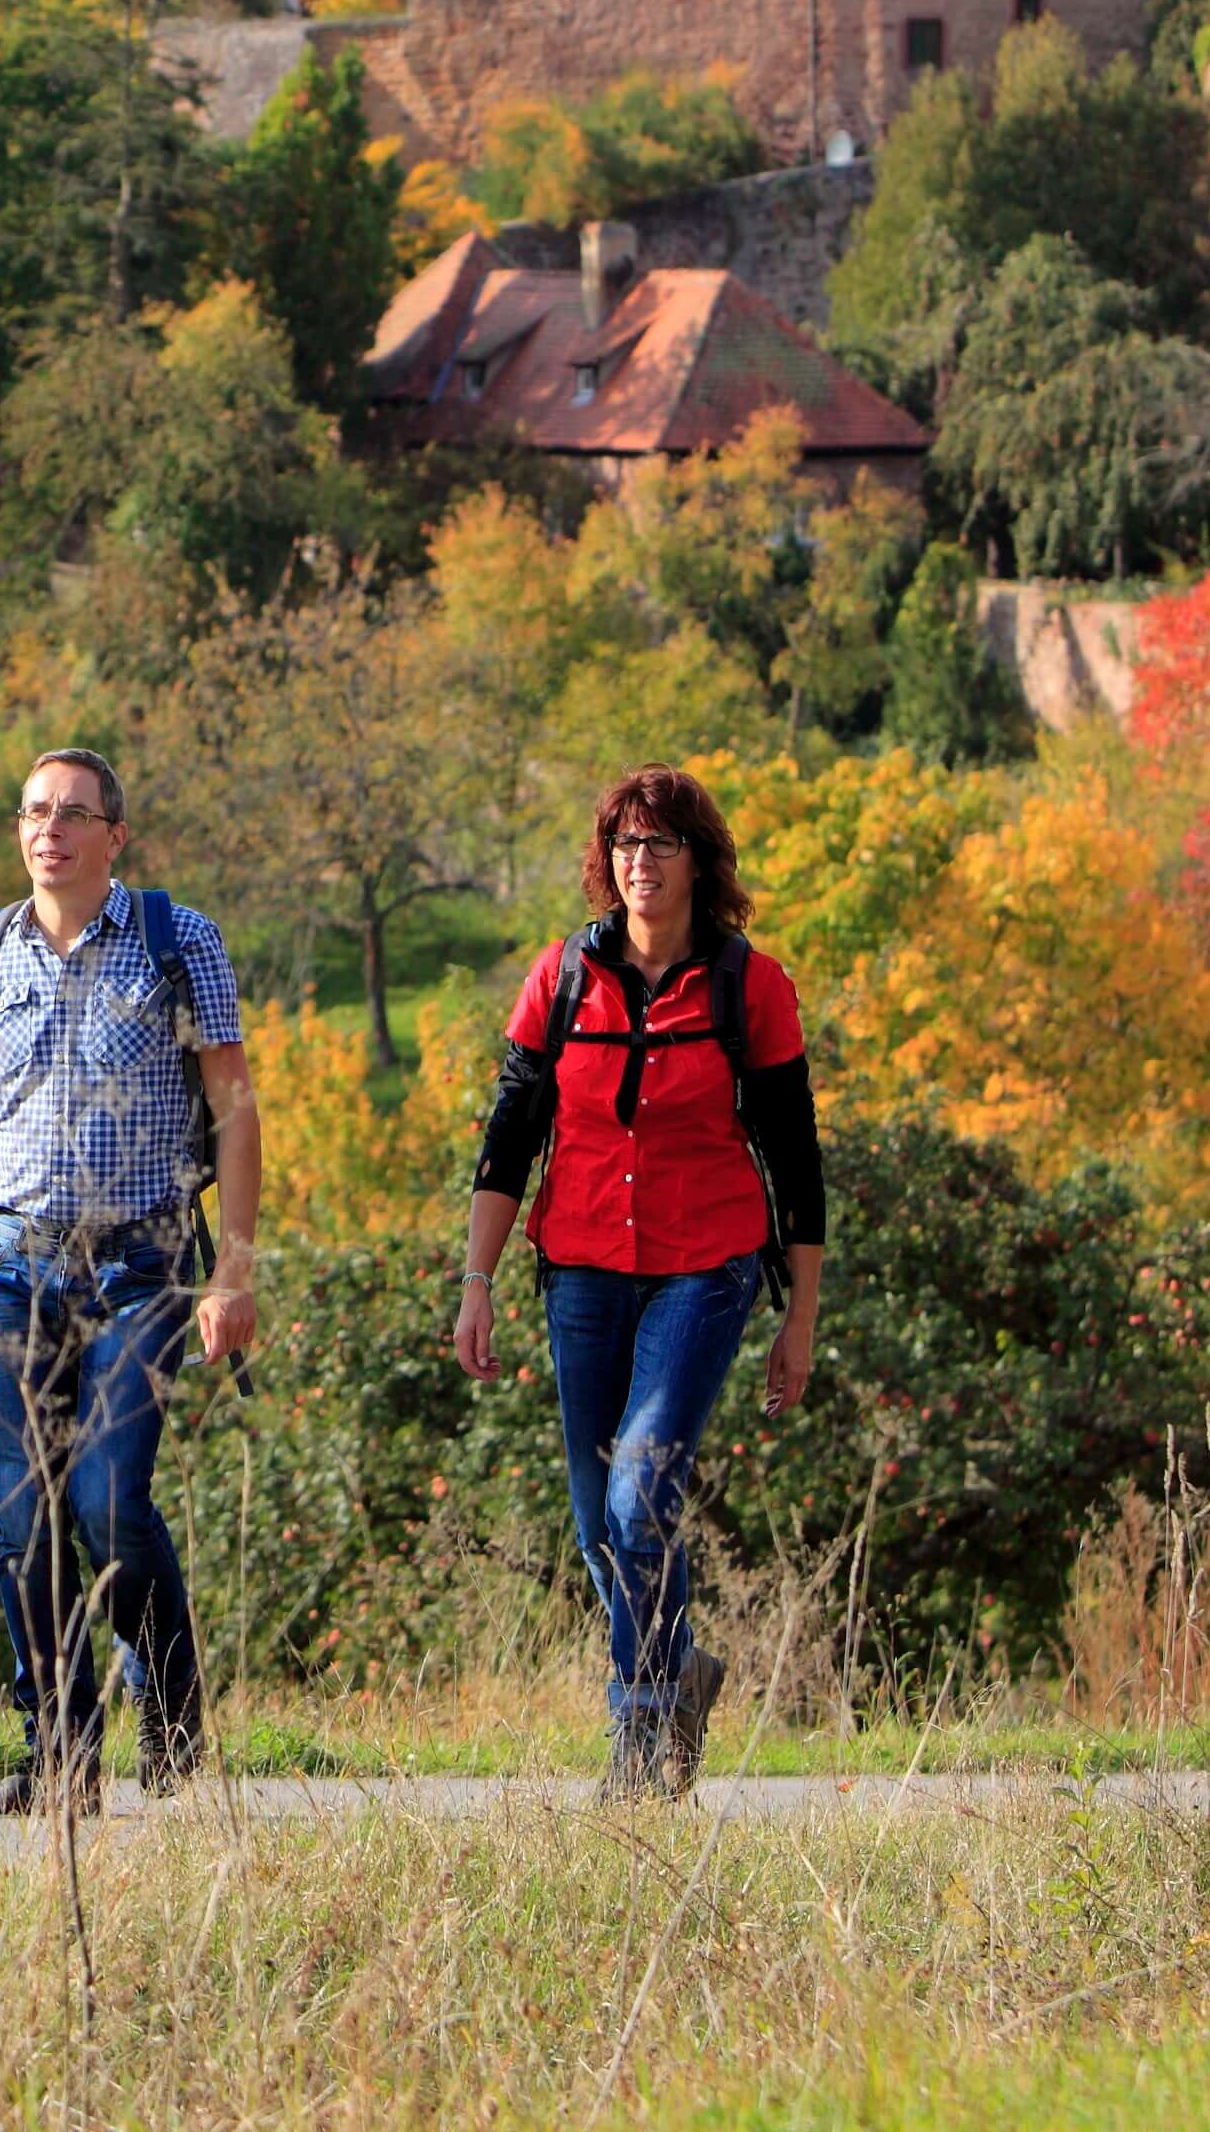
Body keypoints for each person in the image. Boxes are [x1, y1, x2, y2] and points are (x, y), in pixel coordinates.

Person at [452, 762, 826, 1800]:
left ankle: (641, 1724)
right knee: (595, 1518)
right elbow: (509, 1138)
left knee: (639, 1485)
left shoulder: (752, 987)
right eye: (624, 844)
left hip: (703, 1266)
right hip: (578, 1265)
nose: (639, 862)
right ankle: (682, 1665)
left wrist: (799, 1318)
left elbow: (797, 1163)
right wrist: (476, 1281)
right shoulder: (560, 977)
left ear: (701, 863)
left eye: (660, 844)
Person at [0, 744, 262, 1813]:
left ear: (115, 834)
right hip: (14, 1266)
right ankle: (59, 1748)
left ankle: (172, 1701)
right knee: (23, 1517)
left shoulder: (177, 940)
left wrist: (233, 1273)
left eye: (70, 813)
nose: (46, 830)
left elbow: (238, 1109)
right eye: (30, 812)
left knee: (109, 1501)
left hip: (140, 1265)